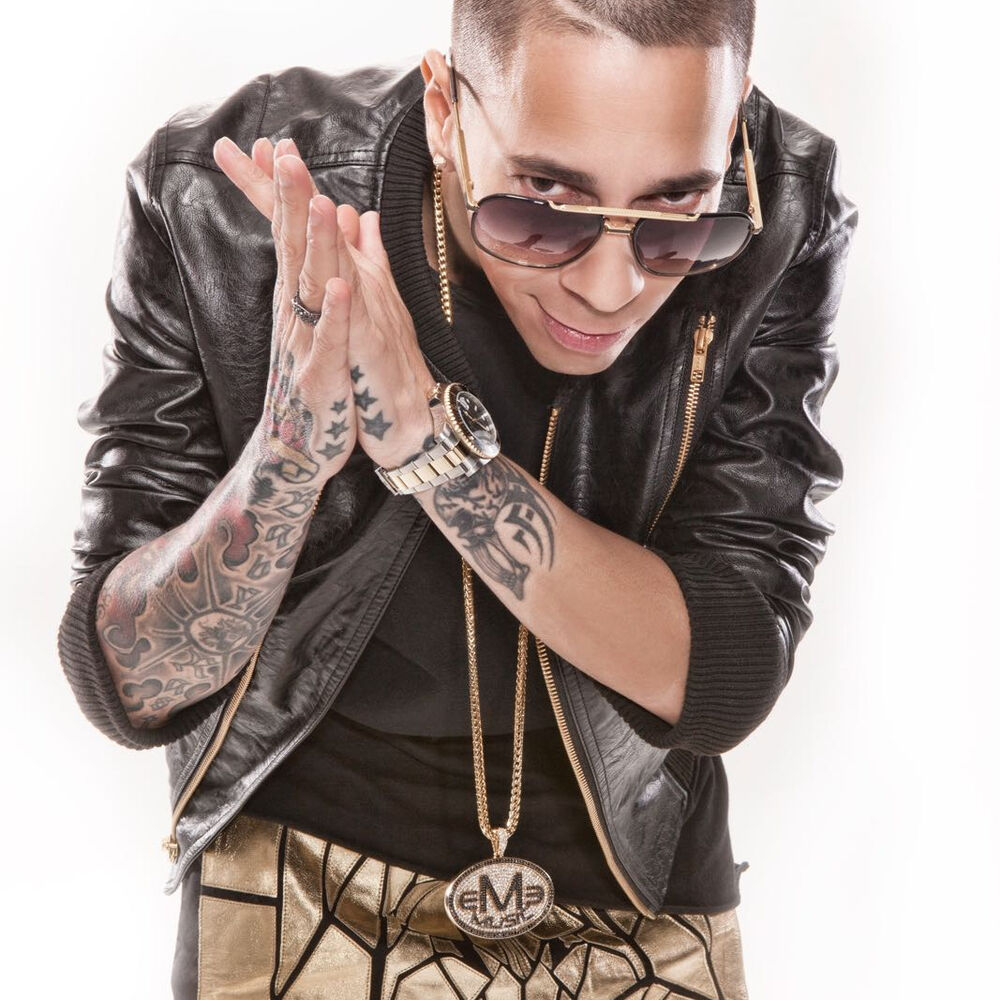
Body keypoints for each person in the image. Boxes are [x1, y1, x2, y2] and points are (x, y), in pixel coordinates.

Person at [58, 1, 858, 997]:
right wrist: (292, 452)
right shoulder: (219, 201)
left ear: (730, 125)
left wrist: (428, 441)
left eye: (676, 214)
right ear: (445, 111)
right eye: (542, 207)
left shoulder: (781, 203)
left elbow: (721, 676)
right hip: (290, 885)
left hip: (637, 892)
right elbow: (127, 686)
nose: (610, 288)